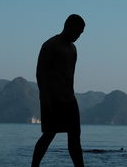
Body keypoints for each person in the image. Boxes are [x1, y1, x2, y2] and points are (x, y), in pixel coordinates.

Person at [32, 14, 85, 167]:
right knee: (48, 135)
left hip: (70, 99)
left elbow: (70, 75)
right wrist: (45, 98)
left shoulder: (73, 49)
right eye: (77, 32)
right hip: (53, 99)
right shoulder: (50, 45)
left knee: (75, 138)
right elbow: (40, 73)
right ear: (68, 26)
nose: (78, 36)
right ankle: (34, 166)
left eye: (81, 33)